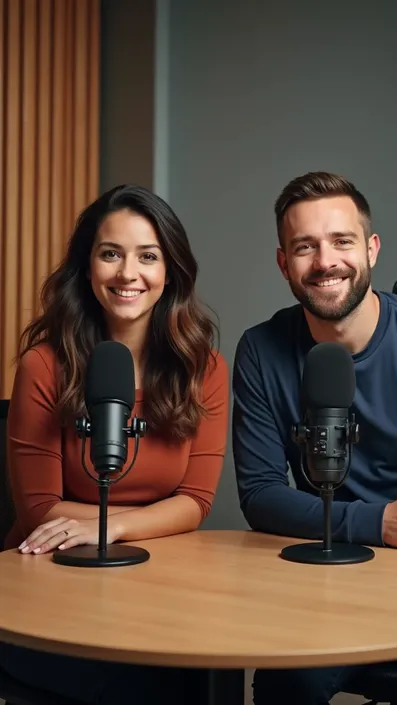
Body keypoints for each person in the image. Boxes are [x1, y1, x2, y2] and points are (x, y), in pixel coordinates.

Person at [232, 171, 397, 705]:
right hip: (333, 567)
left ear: (371, 249)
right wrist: (377, 523)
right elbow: (260, 495)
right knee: (284, 685)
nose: (325, 262)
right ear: (282, 263)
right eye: (305, 247)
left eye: (342, 241)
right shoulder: (260, 350)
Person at [0, 184, 229, 704]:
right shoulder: (44, 365)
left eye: (148, 256)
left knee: (203, 669)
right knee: (144, 684)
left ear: (170, 272)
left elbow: (194, 503)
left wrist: (115, 525)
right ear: (87, 268)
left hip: (154, 584)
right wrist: (151, 517)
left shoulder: (206, 372)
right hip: (46, 585)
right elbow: (38, 509)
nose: (128, 274)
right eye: (111, 254)